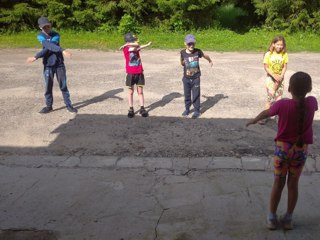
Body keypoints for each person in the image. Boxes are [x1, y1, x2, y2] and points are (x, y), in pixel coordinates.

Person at [246, 72, 318, 230]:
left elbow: (267, 113)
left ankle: (271, 218)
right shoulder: (312, 102)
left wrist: (254, 120)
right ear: (310, 88)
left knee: (278, 183)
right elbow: (308, 105)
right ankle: (288, 218)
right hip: (301, 150)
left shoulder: (282, 104)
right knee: (293, 184)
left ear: (290, 88)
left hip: (282, 150)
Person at [26, 16, 77, 113]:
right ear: (40, 27)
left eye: (48, 26)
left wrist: (35, 57)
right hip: (48, 65)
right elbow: (47, 47)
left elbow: (52, 46)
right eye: (44, 27)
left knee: (63, 85)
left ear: (50, 25)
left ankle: (68, 105)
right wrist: (62, 50)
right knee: (48, 87)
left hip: (59, 65)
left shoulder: (56, 35)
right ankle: (49, 106)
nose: (47, 29)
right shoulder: (40, 36)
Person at [180, 34, 213, 119]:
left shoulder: (197, 51)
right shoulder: (182, 52)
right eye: (189, 44)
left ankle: (197, 111)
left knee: (196, 95)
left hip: (196, 78)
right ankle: (187, 109)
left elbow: (205, 55)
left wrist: (210, 61)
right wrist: (184, 63)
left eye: (193, 44)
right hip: (186, 78)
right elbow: (182, 63)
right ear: (185, 44)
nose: (191, 45)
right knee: (187, 95)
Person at [119, 32, 151, 118]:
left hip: (139, 72)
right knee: (131, 92)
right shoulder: (126, 49)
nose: (134, 42)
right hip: (130, 73)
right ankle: (131, 109)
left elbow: (139, 46)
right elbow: (137, 44)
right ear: (129, 41)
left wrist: (147, 45)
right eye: (132, 40)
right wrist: (126, 44)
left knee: (140, 91)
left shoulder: (134, 48)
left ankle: (142, 108)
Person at [261, 36, 288, 123]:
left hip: (280, 79)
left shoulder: (284, 54)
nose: (279, 46)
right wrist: (273, 75)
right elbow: (266, 67)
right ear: (273, 44)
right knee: (270, 97)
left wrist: (281, 76)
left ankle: (278, 117)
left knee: (278, 98)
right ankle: (264, 116)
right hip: (270, 79)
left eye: (281, 45)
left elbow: (285, 67)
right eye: (278, 44)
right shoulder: (268, 54)